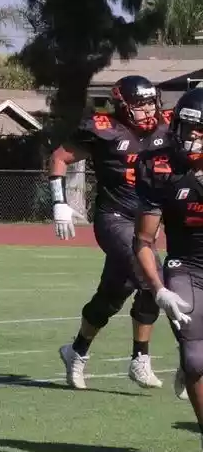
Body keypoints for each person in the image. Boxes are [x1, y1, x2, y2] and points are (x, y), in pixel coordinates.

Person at [50, 75, 169, 390]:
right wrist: (59, 202)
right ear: (123, 106)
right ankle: (140, 358)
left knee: (112, 295)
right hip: (114, 218)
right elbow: (59, 157)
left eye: (150, 102)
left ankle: (76, 351)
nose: (148, 110)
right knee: (153, 277)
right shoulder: (104, 129)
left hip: (146, 222)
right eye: (140, 104)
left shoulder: (165, 128)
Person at [133, 87, 203, 452]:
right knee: (195, 359)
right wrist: (158, 289)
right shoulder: (159, 166)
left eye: (200, 129)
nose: (191, 136)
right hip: (187, 266)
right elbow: (144, 241)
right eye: (187, 127)